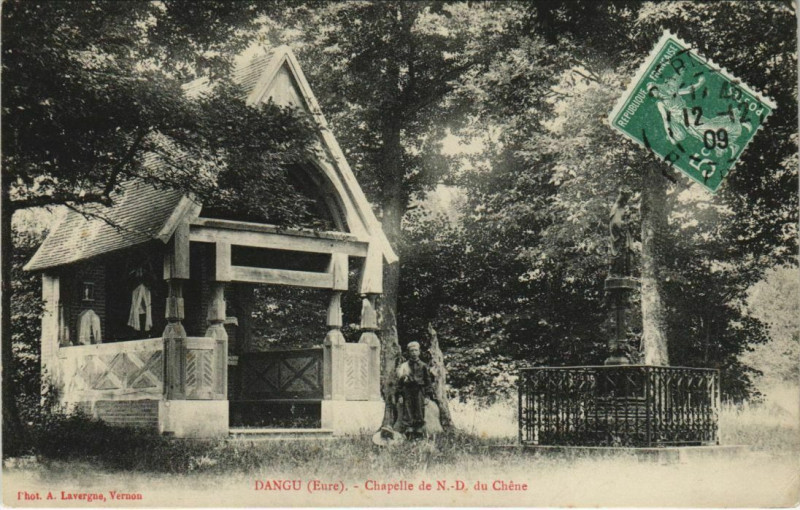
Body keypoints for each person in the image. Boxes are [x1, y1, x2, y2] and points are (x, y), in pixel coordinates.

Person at [396, 341, 437, 440]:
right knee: (408, 410)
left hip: (419, 390)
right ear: (408, 352)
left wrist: (427, 396)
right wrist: (400, 395)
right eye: (411, 351)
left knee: (419, 410)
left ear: (419, 352)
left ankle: (419, 433)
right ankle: (409, 433)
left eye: (416, 350)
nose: (414, 353)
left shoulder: (423, 366)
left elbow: (428, 381)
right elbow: (400, 383)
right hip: (407, 390)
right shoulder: (404, 366)